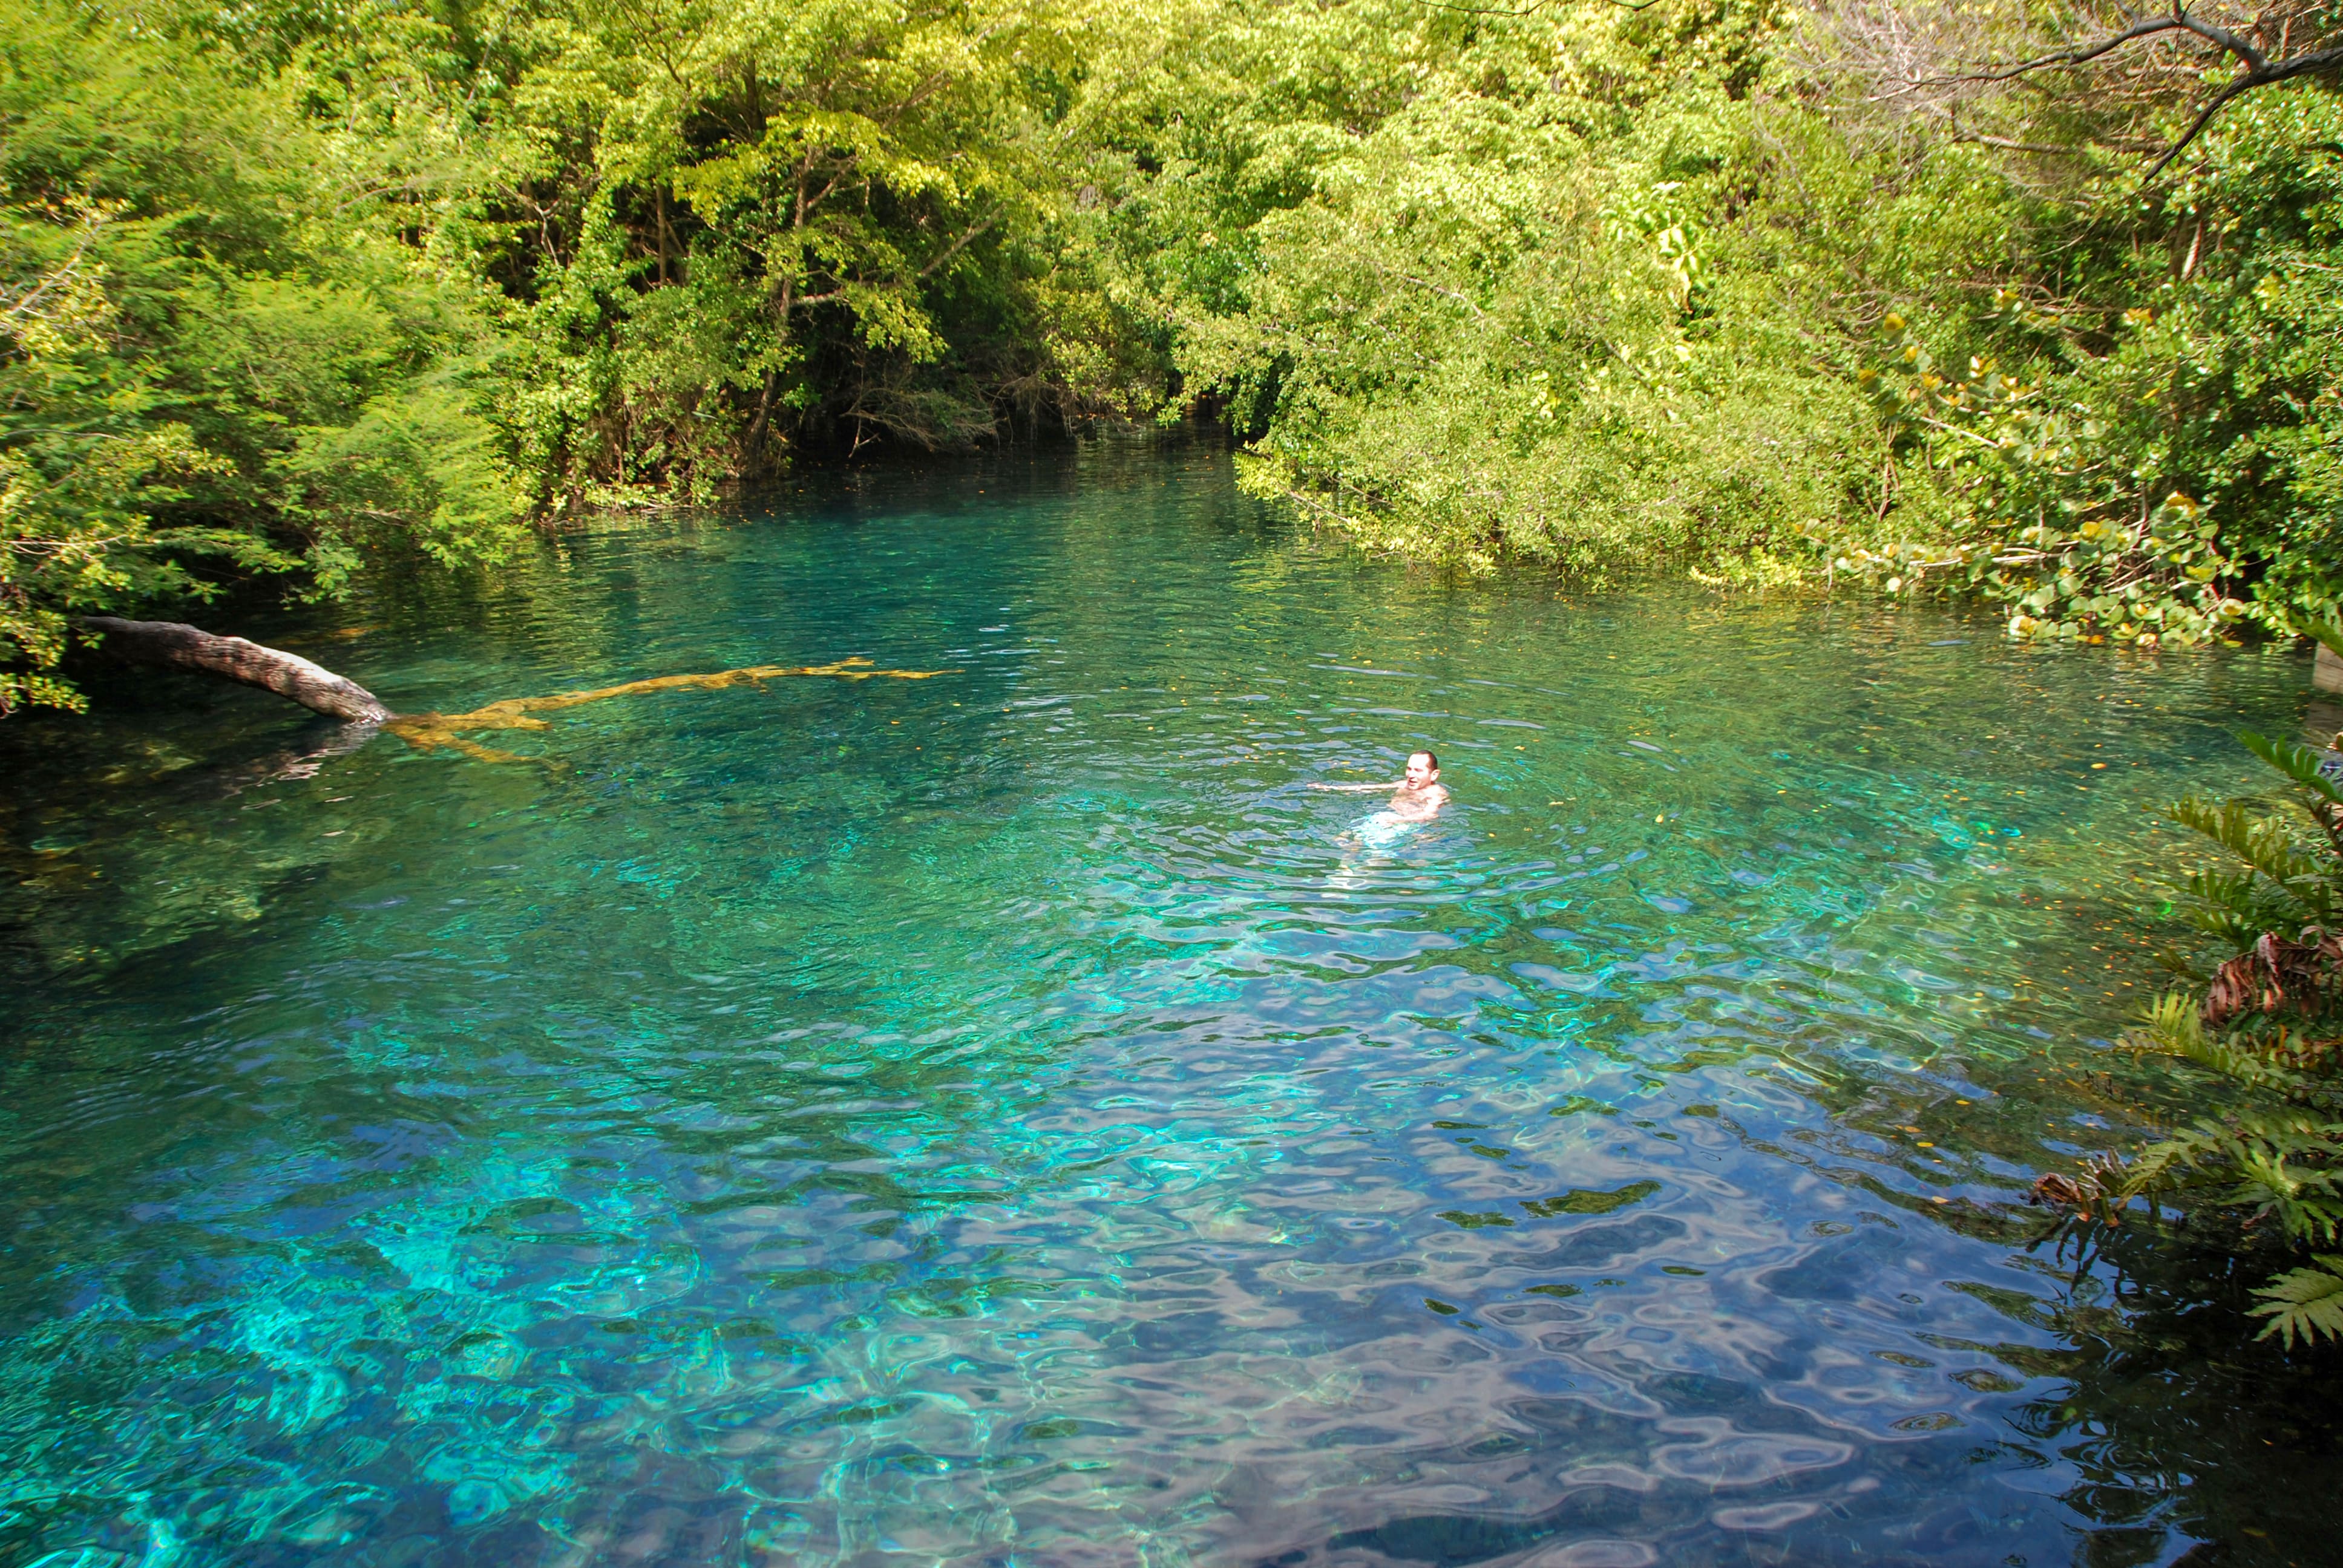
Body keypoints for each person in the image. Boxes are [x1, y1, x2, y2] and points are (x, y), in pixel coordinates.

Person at [1312, 750, 1448, 822]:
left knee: (1375, 852)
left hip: (1407, 825)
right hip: (1387, 818)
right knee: (1346, 839)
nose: (1411, 775)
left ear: (1434, 775)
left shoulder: (1435, 793)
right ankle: (1345, 872)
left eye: (1418, 770)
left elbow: (1429, 815)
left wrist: (1399, 821)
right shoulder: (1403, 785)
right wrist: (1331, 788)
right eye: (1409, 769)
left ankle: (1365, 872)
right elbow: (1369, 788)